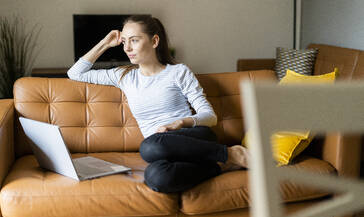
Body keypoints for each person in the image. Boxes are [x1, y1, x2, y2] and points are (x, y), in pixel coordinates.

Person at [67, 15, 249, 193]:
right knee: (156, 177)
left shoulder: (178, 72)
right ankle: (221, 165)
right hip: (162, 151)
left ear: (154, 41)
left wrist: (180, 123)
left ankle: (231, 153)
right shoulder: (123, 76)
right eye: (124, 42)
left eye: (134, 41)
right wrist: (105, 43)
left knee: (149, 146)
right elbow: (75, 73)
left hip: (191, 137)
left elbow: (210, 117)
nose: (127, 48)